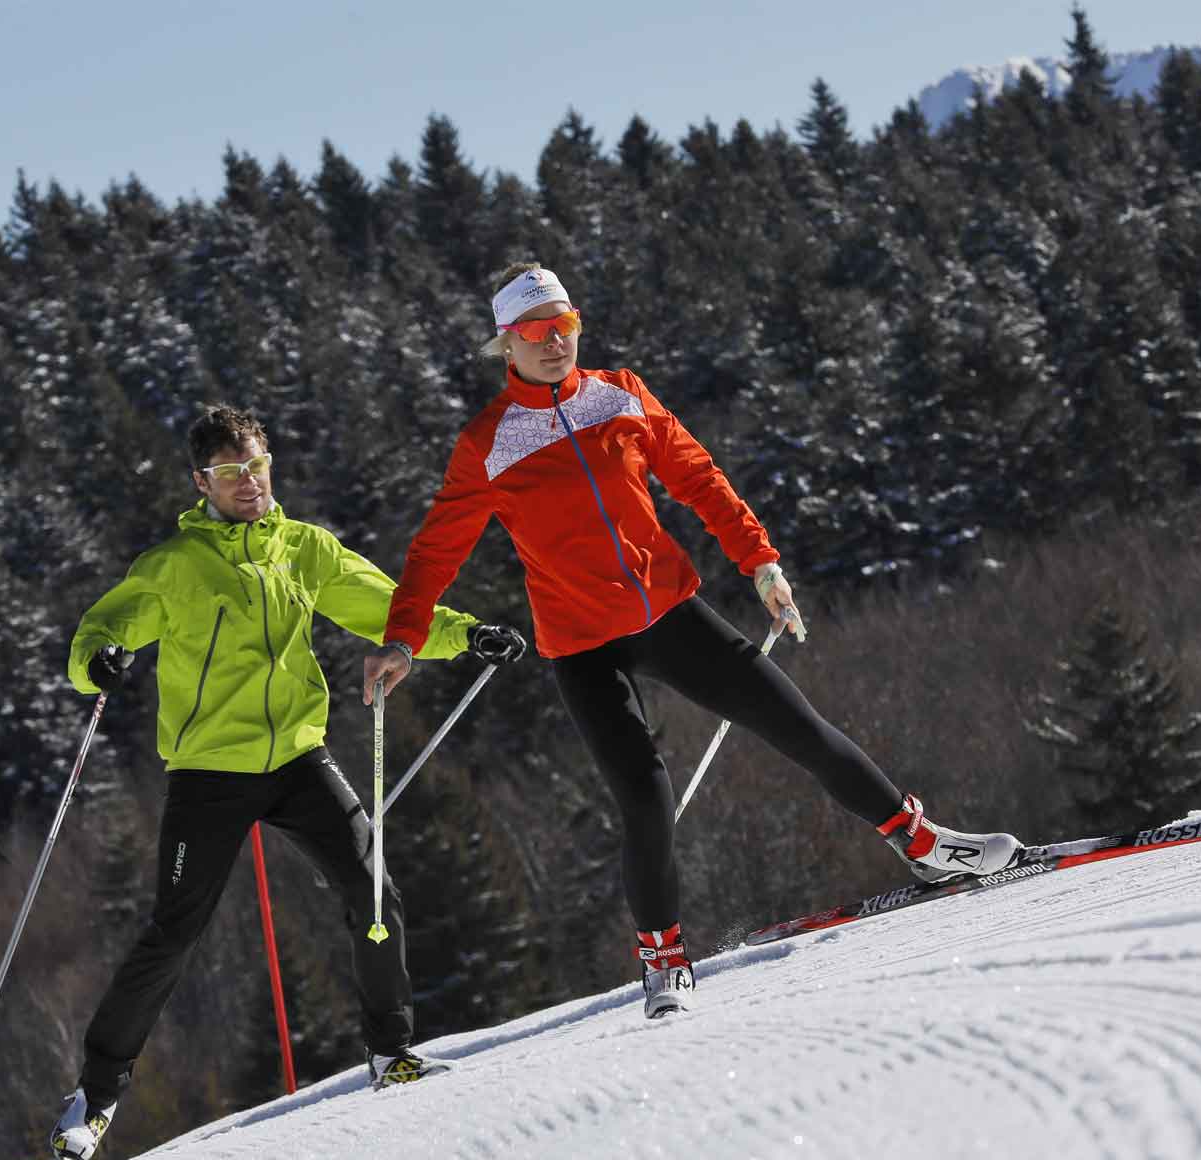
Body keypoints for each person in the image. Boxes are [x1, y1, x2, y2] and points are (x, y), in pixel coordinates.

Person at [363, 263, 1020, 1019]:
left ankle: (925, 843)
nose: (556, 344)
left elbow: (698, 477)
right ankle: (663, 959)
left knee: (798, 726)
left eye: (566, 327)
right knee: (645, 796)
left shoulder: (622, 393)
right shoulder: (487, 442)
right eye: (538, 333)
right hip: (581, 647)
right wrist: (405, 641)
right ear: (505, 343)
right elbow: (435, 553)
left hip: (671, 613)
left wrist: (762, 562)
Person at [52, 404, 528, 1160]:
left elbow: (387, 606)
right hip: (209, 770)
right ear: (201, 482)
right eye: (234, 473)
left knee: (372, 889)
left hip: (297, 758)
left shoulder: (303, 550)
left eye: (259, 467)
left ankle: (391, 1052)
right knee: (174, 933)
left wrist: (465, 632)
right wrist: (98, 662)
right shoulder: (175, 564)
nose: (251, 484)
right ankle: (94, 1098)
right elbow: (102, 630)